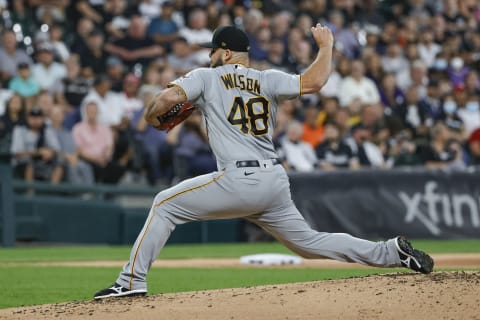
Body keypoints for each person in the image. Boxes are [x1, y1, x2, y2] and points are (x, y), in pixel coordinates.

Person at [94, 24, 434, 300]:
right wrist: (326, 46)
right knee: (310, 243)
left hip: (238, 179)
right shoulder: (267, 78)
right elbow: (315, 81)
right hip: (273, 180)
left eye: (212, 50)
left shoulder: (206, 76)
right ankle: (390, 252)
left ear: (225, 52)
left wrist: (153, 115)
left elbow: (167, 99)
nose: (209, 56)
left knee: (164, 203)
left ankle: (130, 281)